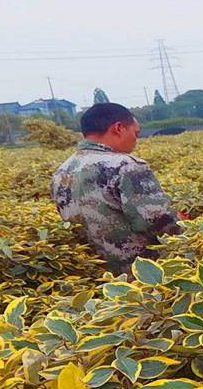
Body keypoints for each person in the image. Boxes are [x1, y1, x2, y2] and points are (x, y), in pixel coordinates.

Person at [51, 102, 180, 274]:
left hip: (93, 274)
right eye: (136, 133)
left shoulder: (62, 171)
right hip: (141, 273)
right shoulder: (125, 165)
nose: (136, 139)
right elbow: (158, 221)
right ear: (118, 128)